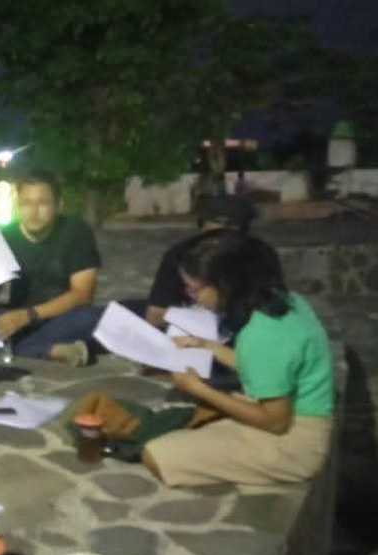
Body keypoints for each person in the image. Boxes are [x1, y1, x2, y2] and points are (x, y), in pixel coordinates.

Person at [142, 233, 334, 487]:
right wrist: (205, 345)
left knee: (156, 455)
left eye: (194, 289)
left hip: (294, 442)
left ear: (225, 285)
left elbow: (276, 422)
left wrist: (197, 388)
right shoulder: (285, 302)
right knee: (192, 422)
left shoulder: (264, 334)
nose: (192, 297)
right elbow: (263, 365)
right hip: (295, 416)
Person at [0, 170, 102, 365]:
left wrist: (29, 315)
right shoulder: (6, 236)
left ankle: (21, 347)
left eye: (42, 203)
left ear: (58, 206)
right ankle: (50, 349)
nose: (33, 211)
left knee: (94, 318)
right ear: (18, 206)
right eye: (26, 203)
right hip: (17, 318)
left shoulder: (75, 231)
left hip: (62, 316)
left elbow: (82, 295)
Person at [144, 195, 257, 330]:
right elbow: (155, 314)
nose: (218, 244)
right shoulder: (179, 254)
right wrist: (194, 320)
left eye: (226, 237)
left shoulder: (258, 259)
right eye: (211, 235)